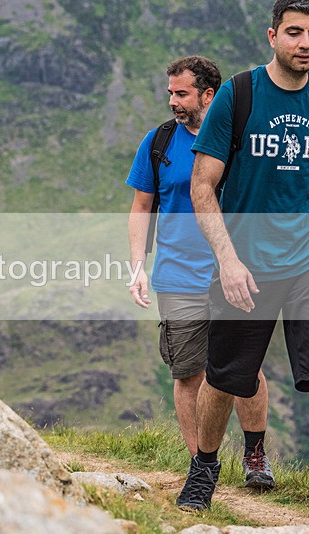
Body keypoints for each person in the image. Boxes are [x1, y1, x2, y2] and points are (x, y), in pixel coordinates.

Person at [178, 0, 309, 512]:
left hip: (304, 265)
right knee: (224, 377)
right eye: (295, 32)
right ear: (272, 36)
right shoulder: (240, 94)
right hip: (246, 264)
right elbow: (202, 186)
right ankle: (205, 468)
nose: (305, 43)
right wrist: (228, 260)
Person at [126, 57, 271, 480]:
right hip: (176, 276)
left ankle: (254, 457)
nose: (172, 100)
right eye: (170, 92)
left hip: (237, 272)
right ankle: (201, 467)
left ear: (209, 94)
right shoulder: (158, 143)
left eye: (181, 93)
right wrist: (138, 266)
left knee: (245, 368)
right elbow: (141, 208)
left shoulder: (240, 139)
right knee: (188, 373)